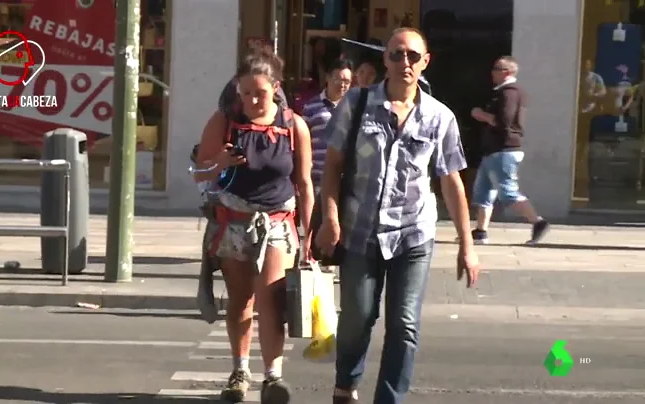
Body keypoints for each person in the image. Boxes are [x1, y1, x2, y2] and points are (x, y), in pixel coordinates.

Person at [316, 27, 480, 404]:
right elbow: (333, 167)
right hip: (359, 230)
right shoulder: (355, 104)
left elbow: (451, 182)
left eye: (412, 55)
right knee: (358, 317)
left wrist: (466, 245)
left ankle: (390, 398)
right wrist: (330, 218)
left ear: (425, 62)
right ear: (384, 60)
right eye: (396, 54)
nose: (403, 62)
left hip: (413, 234)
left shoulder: (440, 117)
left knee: (404, 324)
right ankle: (346, 383)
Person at [193, 51, 314, 404]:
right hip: (233, 220)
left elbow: (305, 184)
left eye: (259, 92)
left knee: (271, 299)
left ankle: (273, 376)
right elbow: (199, 173)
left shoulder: (294, 126)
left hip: (277, 221)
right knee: (240, 300)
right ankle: (239, 370)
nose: (251, 100)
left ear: (275, 88)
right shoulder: (225, 121)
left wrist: (308, 235)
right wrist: (220, 162)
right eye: (244, 93)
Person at [470, 56, 549, 245]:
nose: (492, 72)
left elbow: (504, 121)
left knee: (508, 192)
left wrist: (481, 115)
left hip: (504, 149)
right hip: (494, 150)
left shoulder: (509, 93)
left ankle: (537, 222)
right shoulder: (506, 92)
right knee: (483, 192)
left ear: (507, 72)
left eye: (497, 69)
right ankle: (481, 232)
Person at [301, 58, 353, 194]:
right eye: (338, 79)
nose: (342, 85)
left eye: (347, 81)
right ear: (327, 78)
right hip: (317, 180)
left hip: (345, 181)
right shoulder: (311, 106)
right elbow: (302, 142)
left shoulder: (354, 109)